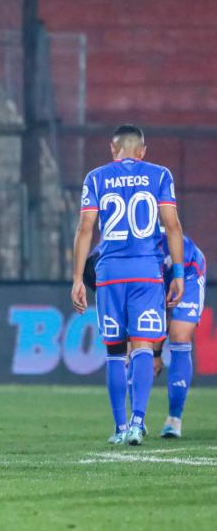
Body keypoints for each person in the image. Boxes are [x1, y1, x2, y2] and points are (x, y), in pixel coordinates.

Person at [71, 124, 184, 446]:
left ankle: (120, 427)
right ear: (142, 151)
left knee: (115, 352)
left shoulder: (96, 177)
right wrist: (177, 274)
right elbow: (173, 226)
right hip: (147, 272)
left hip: (110, 274)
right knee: (144, 347)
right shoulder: (160, 175)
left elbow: (85, 229)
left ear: (113, 148)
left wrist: (78, 278)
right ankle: (138, 422)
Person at [86, 233, 206, 439]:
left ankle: (174, 419)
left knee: (179, 334)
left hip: (186, 270)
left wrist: (157, 353)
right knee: (136, 341)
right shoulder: (105, 253)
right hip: (148, 276)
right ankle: (136, 420)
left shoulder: (135, 254)